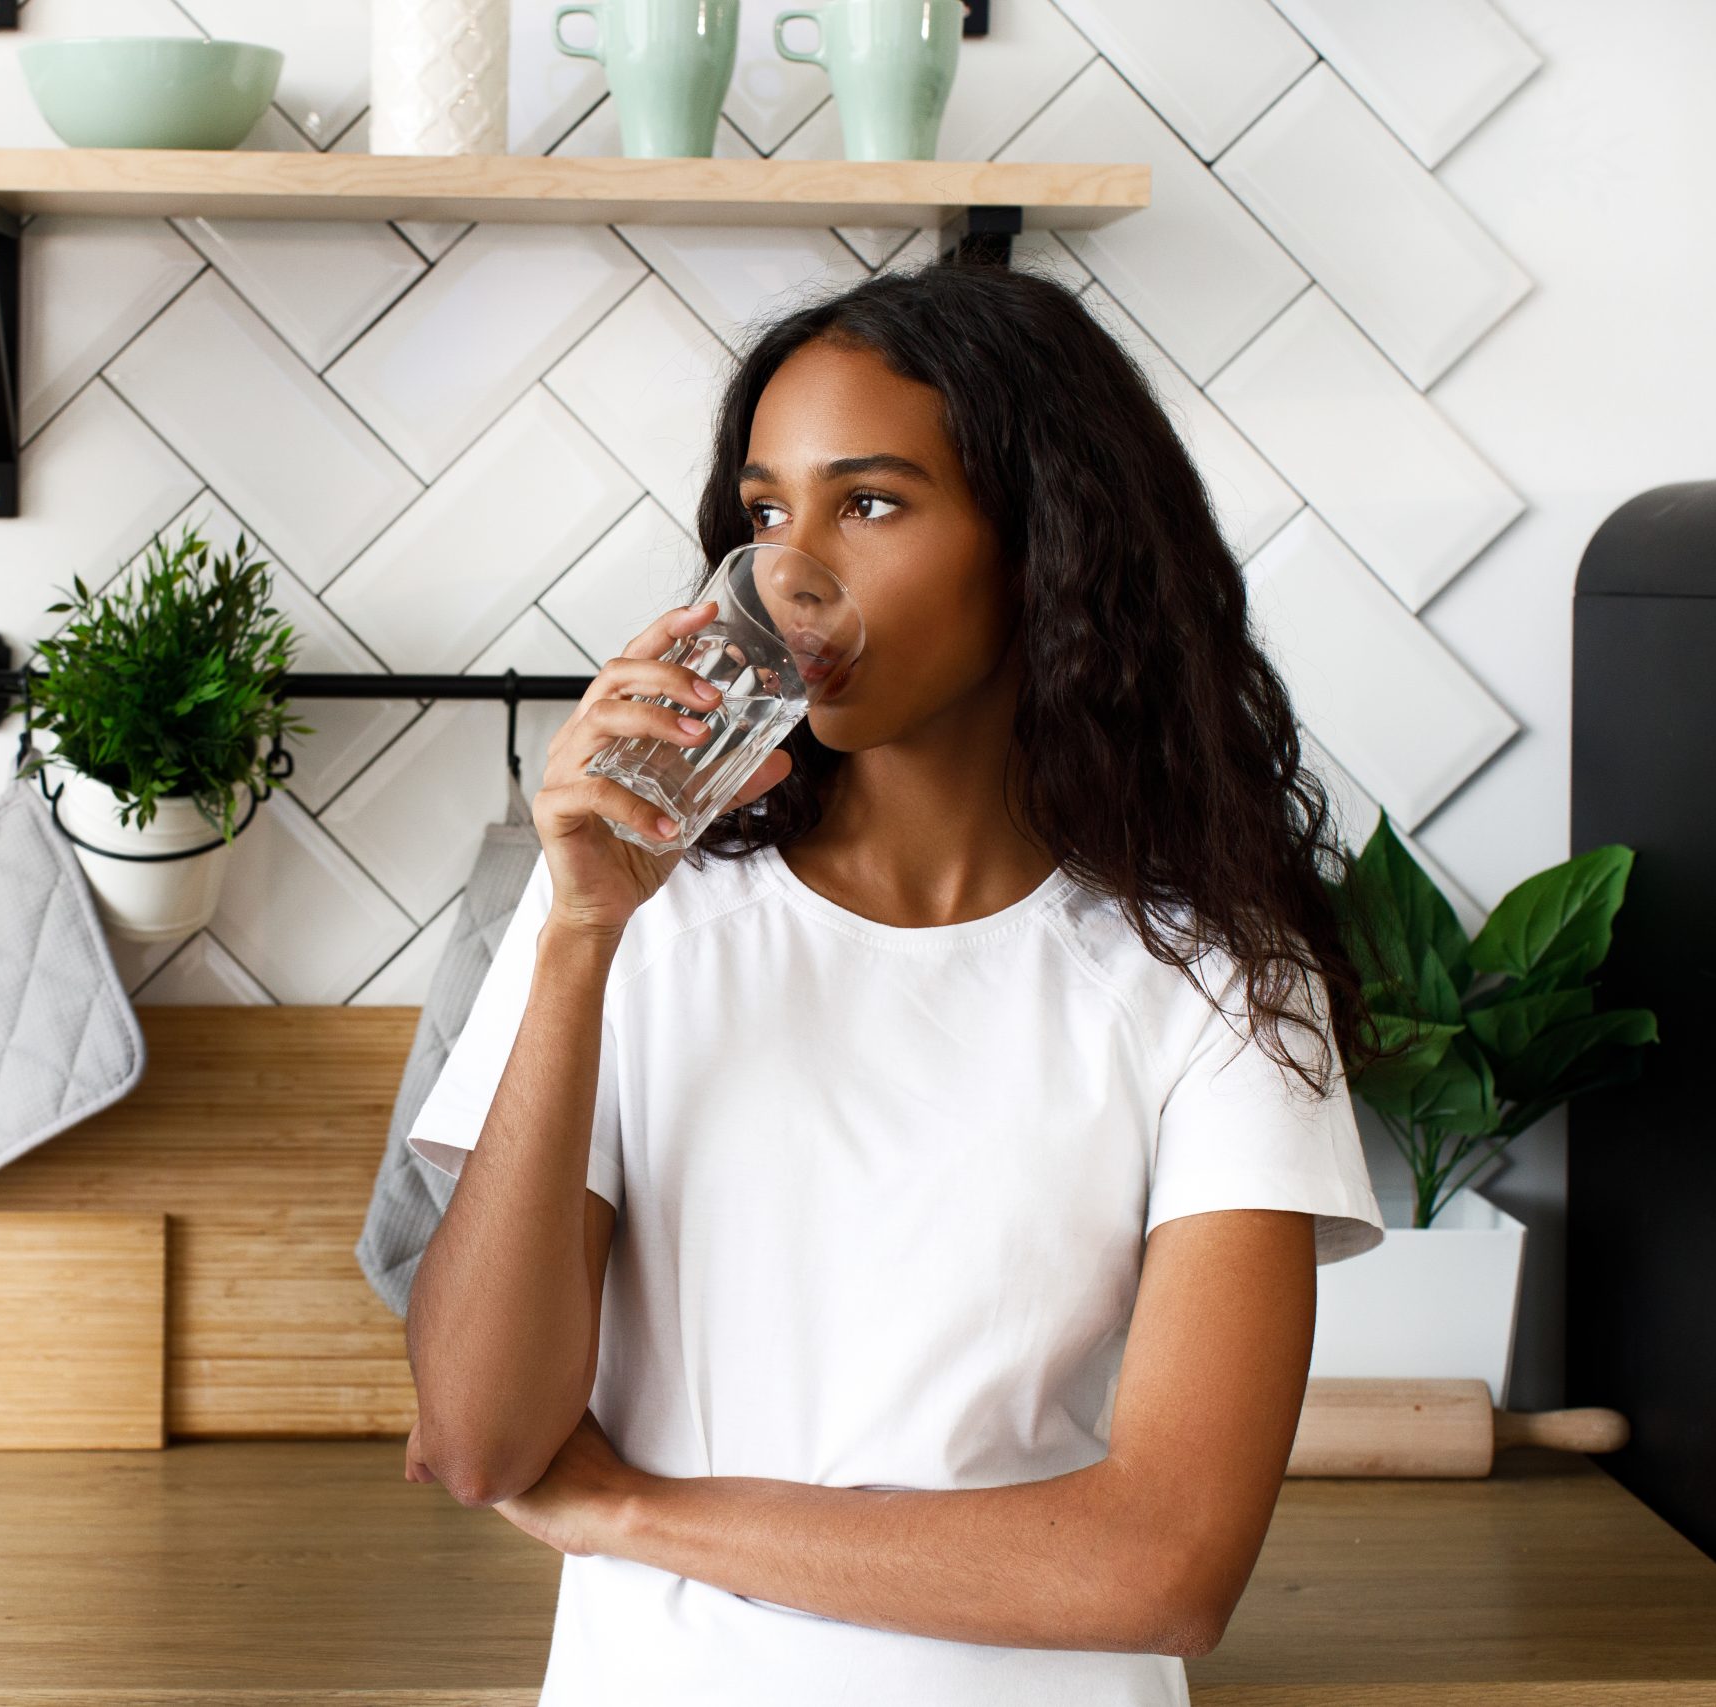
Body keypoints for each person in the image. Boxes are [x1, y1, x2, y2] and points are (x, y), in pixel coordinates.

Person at [399, 258, 1389, 1705]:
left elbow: (1165, 1568)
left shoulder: (1220, 983)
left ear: (1045, 542)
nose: (791, 569)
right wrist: (574, 941)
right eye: (764, 511)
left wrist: (629, 1513)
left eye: (868, 503)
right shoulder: (640, 930)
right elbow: (482, 1439)